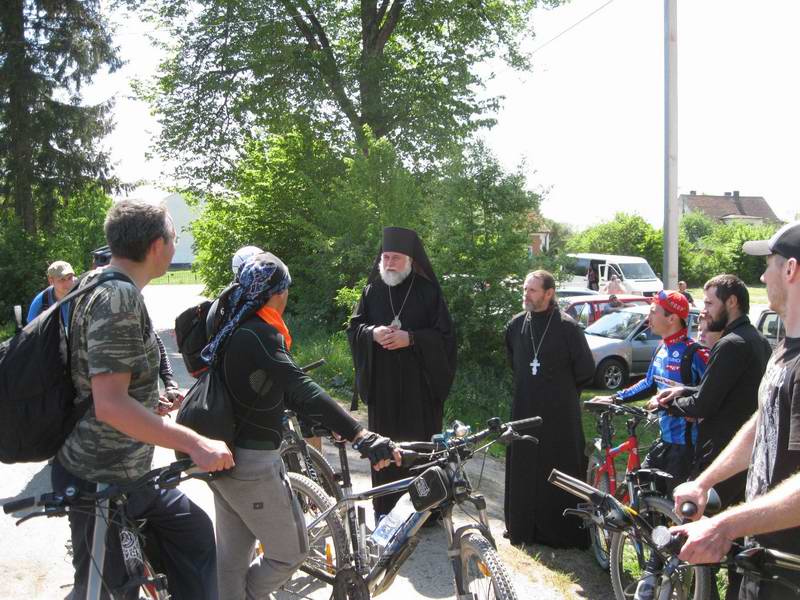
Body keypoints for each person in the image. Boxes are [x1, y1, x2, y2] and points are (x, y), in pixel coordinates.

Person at [51, 199, 234, 600]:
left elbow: (102, 381)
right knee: (106, 590)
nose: (175, 245)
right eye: (173, 237)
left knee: (194, 534)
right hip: (101, 478)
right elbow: (109, 404)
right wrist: (195, 442)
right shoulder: (117, 297)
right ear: (156, 246)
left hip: (131, 473)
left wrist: (150, 401)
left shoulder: (104, 284)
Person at [201, 252, 399, 599]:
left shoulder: (233, 326)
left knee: (232, 561)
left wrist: (331, 420)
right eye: (286, 290)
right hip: (252, 464)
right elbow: (298, 384)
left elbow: (267, 386)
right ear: (276, 293)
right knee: (290, 552)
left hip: (225, 457)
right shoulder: (260, 333)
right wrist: (359, 433)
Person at [669, 221, 800, 600]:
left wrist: (723, 526)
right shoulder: (784, 349)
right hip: (760, 558)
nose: (761, 275)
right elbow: (765, 421)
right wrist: (704, 481)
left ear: (790, 270)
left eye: (769, 264)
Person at [347, 226, 457, 519]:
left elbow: (446, 337)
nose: (390, 263)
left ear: (410, 260)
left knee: (418, 445)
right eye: (386, 257)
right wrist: (372, 333)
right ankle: (386, 507)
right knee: (384, 445)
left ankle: (426, 510)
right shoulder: (372, 291)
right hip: (383, 387)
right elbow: (354, 328)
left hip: (418, 388)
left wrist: (413, 339)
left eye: (396, 258)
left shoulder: (429, 292)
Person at [656, 275, 771, 509]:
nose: (704, 311)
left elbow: (703, 404)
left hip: (722, 455)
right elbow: (726, 388)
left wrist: (666, 405)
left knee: (699, 529)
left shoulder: (730, 344)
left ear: (731, 302)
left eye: (709, 303)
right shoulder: (757, 339)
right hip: (746, 457)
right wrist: (683, 390)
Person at [504, 269, 595, 547]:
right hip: (523, 408)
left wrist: (560, 393)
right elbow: (515, 363)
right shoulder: (515, 325)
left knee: (558, 466)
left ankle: (560, 532)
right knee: (524, 465)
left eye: (532, 290)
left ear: (549, 293)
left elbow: (586, 370)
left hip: (559, 415)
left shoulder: (568, 328)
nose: (526, 294)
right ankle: (522, 528)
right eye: (525, 289)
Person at [592, 290, 709, 488]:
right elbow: (649, 384)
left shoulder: (695, 353)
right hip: (663, 440)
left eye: (654, 312)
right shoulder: (661, 348)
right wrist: (614, 398)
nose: (648, 317)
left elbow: (711, 392)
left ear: (672, 318)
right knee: (640, 491)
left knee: (673, 509)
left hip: (686, 447)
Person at [90, 243, 182, 415]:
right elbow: (110, 402)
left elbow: (153, 339)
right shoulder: (115, 301)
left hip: (131, 424)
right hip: (114, 435)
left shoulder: (113, 294)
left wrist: (168, 381)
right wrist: (192, 442)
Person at [26, 260, 76, 326]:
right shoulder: (42, 300)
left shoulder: (82, 292)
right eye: (62, 279)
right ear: (51, 280)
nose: (67, 284)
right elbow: (30, 329)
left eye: (70, 278)